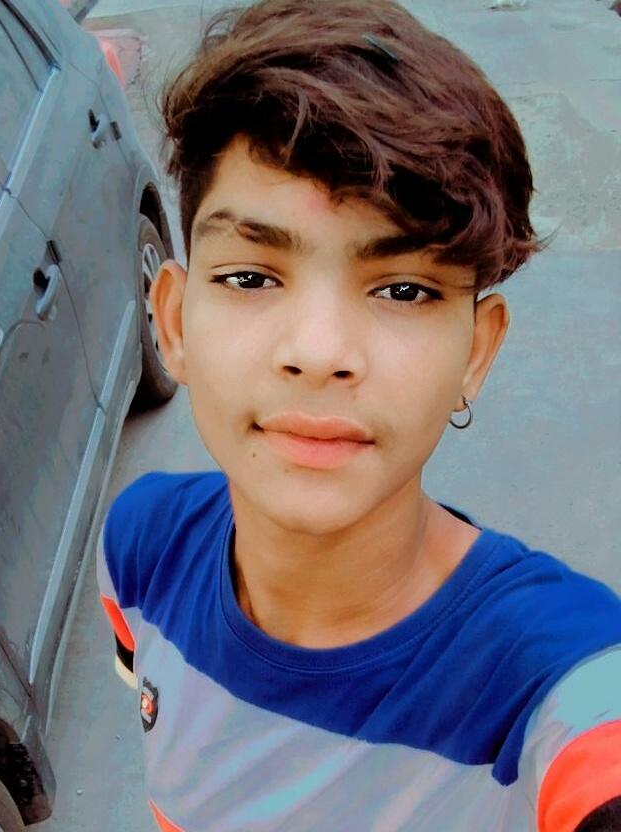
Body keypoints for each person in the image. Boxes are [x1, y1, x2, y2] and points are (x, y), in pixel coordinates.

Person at [96, 1, 621, 829]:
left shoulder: (559, 684)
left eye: (403, 289)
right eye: (250, 277)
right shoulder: (141, 551)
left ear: (476, 353)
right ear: (173, 323)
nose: (319, 352)